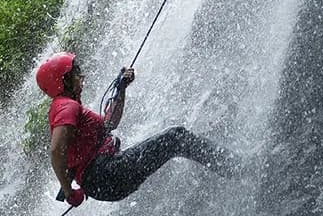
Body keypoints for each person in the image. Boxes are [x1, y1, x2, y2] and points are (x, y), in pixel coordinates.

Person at [35, 52, 240, 207]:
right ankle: (239, 168)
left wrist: (121, 88)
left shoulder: (69, 106)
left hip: (103, 178)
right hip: (105, 174)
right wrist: (68, 191)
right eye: (75, 72)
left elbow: (109, 124)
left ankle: (236, 169)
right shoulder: (65, 106)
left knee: (173, 141)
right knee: (176, 138)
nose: (82, 74)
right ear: (63, 80)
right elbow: (56, 150)